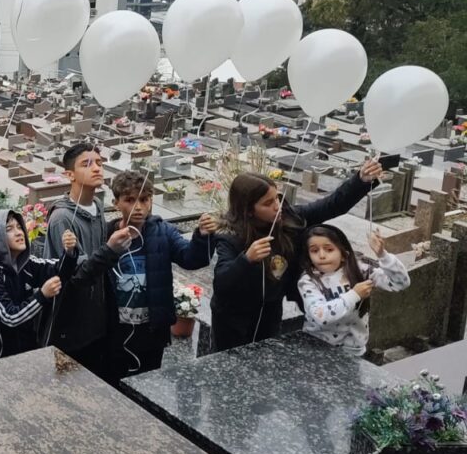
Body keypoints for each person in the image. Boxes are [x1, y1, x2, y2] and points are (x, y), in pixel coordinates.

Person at [211, 158, 383, 353]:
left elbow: (331, 205)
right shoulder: (230, 236)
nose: (277, 206)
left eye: (277, 197)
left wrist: (361, 180)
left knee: (264, 359)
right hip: (234, 318)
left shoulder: (289, 218)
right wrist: (246, 260)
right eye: (268, 203)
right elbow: (222, 283)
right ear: (248, 210)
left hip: (270, 309)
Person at [104, 171, 217, 380]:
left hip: (151, 329)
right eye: (130, 200)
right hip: (115, 329)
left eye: (144, 200)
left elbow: (190, 258)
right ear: (115, 203)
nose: (138, 207)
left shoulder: (163, 231)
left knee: (147, 380)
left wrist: (202, 236)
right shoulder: (105, 234)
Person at [41, 142, 133, 376]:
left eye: (99, 163)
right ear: (69, 174)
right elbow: (76, 275)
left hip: (97, 316)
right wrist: (111, 249)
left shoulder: (97, 206)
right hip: (72, 320)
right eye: (87, 164)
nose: (96, 169)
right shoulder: (62, 218)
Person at [0, 210, 76, 363]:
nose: (19, 233)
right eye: (9, 229)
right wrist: (41, 296)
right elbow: (9, 317)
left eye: (19, 227)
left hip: (23, 352)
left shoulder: (27, 263)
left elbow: (58, 270)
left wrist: (69, 251)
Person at [299, 225, 409, 356]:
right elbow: (321, 316)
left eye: (329, 249)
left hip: (353, 349)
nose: (322, 255)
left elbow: (401, 283)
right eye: (314, 251)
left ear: (344, 254)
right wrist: (355, 294)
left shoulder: (360, 270)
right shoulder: (308, 281)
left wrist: (383, 255)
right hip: (318, 348)